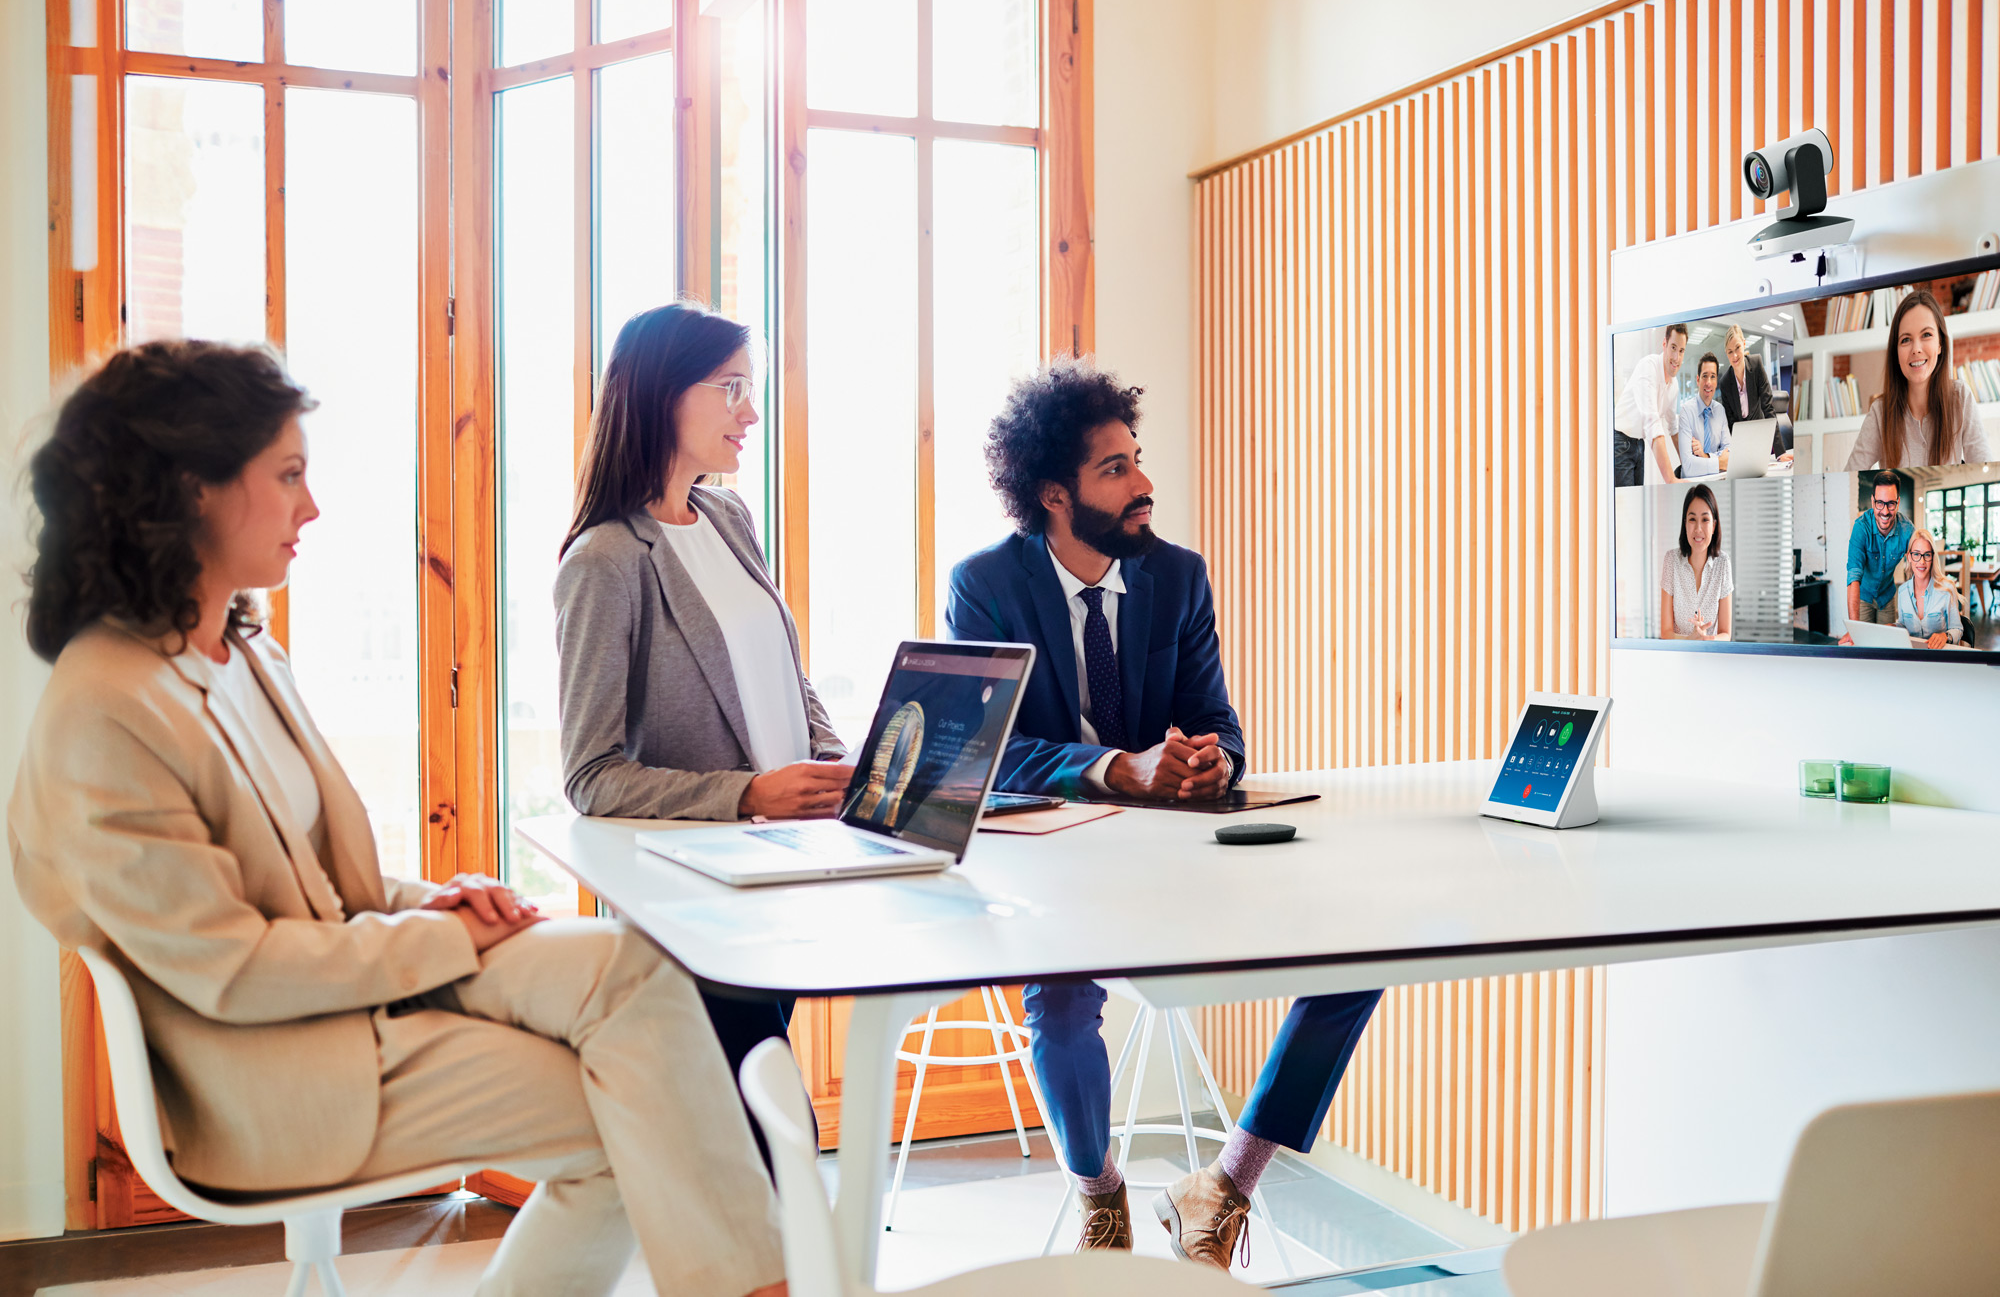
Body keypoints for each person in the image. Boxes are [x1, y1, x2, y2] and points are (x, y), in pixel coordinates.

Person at [8, 341, 786, 1297]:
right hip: (274, 1066)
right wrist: (437, 938)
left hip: (349, 980)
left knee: (636, 970)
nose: (312, 507)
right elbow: (234, 969)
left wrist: (440, 900)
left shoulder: (241, 645)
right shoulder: (108, 708)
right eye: (288, 476)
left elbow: (324, 877)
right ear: (192, 490)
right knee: (640, 1108)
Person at [945, 360, 1381, 1271]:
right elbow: (982, 754)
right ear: (1054, 494)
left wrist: (1211, 759)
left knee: (1365, 945)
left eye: (1138, 459)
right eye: (1116, 469)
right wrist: (1115, 766)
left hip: (1188, 862)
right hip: (1057, 870)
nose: (1145, 484)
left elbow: (1219, 718)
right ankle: (1102, 1195)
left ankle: (1225, 1184)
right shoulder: (985, 584)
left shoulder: (1178, 578)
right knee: (1060, 1002)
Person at [554, 301, 852, 1122]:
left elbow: (783, 672)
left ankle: (764, 1248)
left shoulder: (729, 517)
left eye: (749, 389)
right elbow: (591, 774)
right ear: (660, 395)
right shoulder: (606, 560)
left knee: (750, 1114)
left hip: (791, 859)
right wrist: (748, 794)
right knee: (764, 1116)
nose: (749, 412)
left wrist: (834, 758)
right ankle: (781, 1252)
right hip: (704, 887)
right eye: (730, 388)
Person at [1847, 289, 1995, 469]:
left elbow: (1986, 472)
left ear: (1940, 344)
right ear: (1896, 352)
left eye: (1926, 335)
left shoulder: (1960, 397)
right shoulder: (1881, 412)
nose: (1916, 349)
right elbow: (1849, 478)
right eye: (1905, 340)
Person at [1613, 323, 1689, 487]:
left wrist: (1687, 465)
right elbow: (1652, 422)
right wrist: (1670, 479)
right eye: (1673, 348)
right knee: (1626, 507)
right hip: (1620, 441)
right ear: (1664, 344)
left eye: (1681, 351)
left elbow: (1673, 427)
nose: (1676, 357)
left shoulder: (1673, 385)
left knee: (1636, 503)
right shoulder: (1648, 367)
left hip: (1639, 444)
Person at [1658, 483, 1732, 639]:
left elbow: (1726, 634)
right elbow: (1665, 633)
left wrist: (1707, 640)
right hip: (1677, 657)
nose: (1698, 528)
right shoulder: (1671, 560)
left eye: (1705, 519)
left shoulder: (1723, 563)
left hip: (1710, 657)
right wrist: (1689, 640)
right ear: (1685, 524)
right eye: (1692, 519)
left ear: (1714, 525)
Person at [1844, 472, 1913, 634]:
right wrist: (1854, 630)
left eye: (1891, 504)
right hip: (1863, 596)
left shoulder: (1907, 529)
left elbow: (1919, 566)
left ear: (1898, 502)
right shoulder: (1861, 528)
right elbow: (1853, 576)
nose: (1885, 511)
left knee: (1886, 646)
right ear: (1872, 501)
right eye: (1880, 503)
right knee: (1863, 643)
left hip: (1887, 597)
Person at [1893, 527, 1963, 648]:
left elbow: (1957, 629)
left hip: (1939, 657)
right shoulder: (1902, 591)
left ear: (1932, 558)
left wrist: (1945, 636)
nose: (1922, 561)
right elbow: (1903, 625)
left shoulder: (1946, 589)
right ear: (1909, 557)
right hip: (1913, 657)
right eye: (1916, 554)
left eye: (1927, 555)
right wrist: (1893, 627)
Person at [1676, 353, 1732, 479]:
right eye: (1704, 376)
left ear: (1717, 381)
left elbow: (1730, 452)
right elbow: (1688, 466)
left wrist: (1705, 455)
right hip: (1693, 484)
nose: (1708, 382)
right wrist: (1719, 462)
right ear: (1697, 380)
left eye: (1713, 377)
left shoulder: (1720, 411)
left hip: (1718, 480)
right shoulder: (1686, 411)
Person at [1717, 324, 1774, 427]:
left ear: (1744, 343)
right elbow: (1730, 421)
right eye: (1730, 352)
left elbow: (1768, 408)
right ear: (1726, 354)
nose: (1734, 356)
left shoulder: (1756, 364)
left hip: (1760, 429)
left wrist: (1777, 442)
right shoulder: (1724, 382)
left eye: (1737, 347)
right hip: (1740, 436)